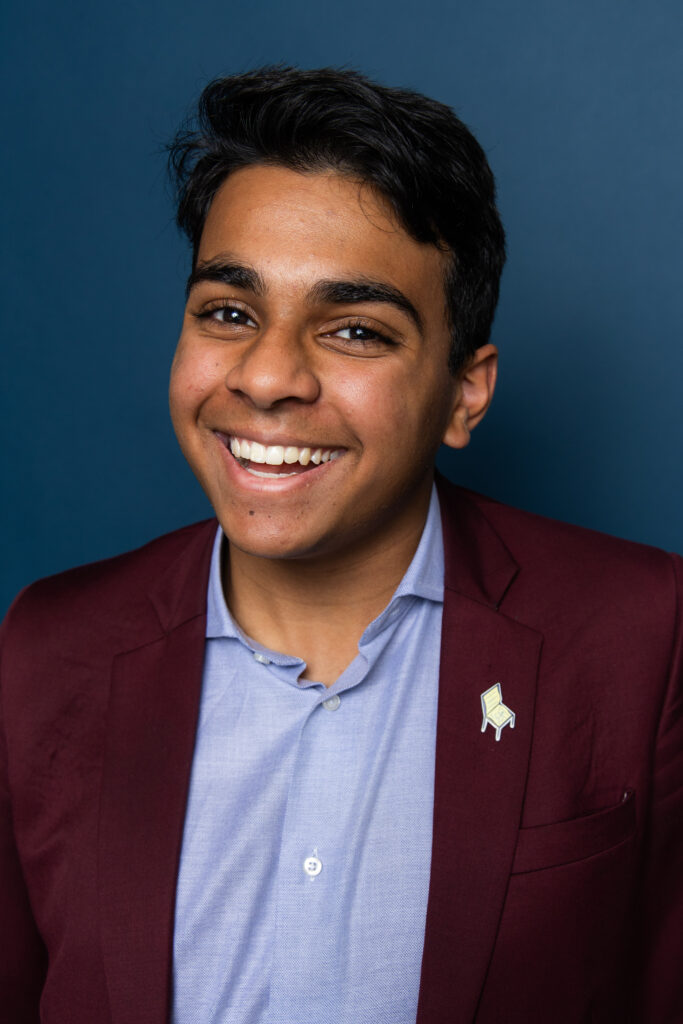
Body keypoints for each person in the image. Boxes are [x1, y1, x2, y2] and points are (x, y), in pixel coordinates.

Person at [1, 66, 681, 1024]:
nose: (269, 376)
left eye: (355, 330)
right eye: (229, 313)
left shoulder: (640, 635)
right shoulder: (45, 651)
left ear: (463, 393)